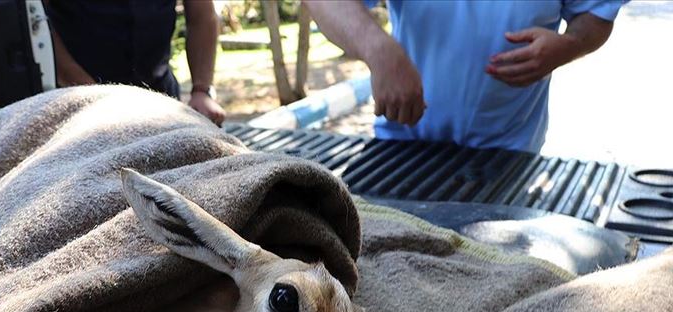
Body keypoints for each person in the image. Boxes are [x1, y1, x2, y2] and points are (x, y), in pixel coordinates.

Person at [304, 1, 625, 152]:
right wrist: (378, 50)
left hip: (510, 154)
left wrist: (569, 46)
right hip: (401, 147)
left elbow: (595, 13)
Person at [43, 0, 226, 126]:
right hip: (78, 104)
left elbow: (202, 16)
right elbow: (37, 22)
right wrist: (91, 95)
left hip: (160, 97)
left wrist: (202, 90)